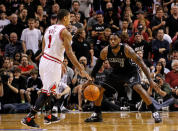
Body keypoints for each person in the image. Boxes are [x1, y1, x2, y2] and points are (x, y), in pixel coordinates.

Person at [21, 9, 91, 128]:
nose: (70, 20)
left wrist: (61, 63)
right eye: (69, 18)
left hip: (45, 60)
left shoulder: (49, 28)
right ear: (64, 18)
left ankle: (48, 116)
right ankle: (29, 117)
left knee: (51, 89)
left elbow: (43, 49)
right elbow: (70, 53)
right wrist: (81, 69)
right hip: (52, 64)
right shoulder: (65, 32)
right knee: (46, 92)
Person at [84, 33, 162, 123]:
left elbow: (142, 64)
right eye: (111, 39)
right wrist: (91, 78)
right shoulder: (105, 51)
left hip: (130, 72)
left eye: (115, 39)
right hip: (116, 73)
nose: (112, 41)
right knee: (100, 89)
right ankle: (97, 114)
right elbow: (97, 65)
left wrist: (150, 80)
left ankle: (154, 111)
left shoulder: (127, 50)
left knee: (138, 88)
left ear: (119, 40)